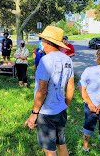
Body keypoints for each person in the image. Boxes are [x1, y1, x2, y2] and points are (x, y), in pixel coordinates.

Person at [24, 26, 75, 156]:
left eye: (42, 40)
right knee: (61, 144)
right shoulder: (67, 59)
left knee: (49, 150)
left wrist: (34, 113)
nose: (41, 42)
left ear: (47, 42)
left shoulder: (46, 60)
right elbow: (71, 86)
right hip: (61, 110)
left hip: (47, 112)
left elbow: (42, 89)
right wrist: (65, 105)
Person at [78, 47, 100, 154]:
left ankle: (85, 147)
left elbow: (81, 88)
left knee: (88, 126)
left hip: (90, 106)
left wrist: (90, 103)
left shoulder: (89, 70)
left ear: (98, 56)